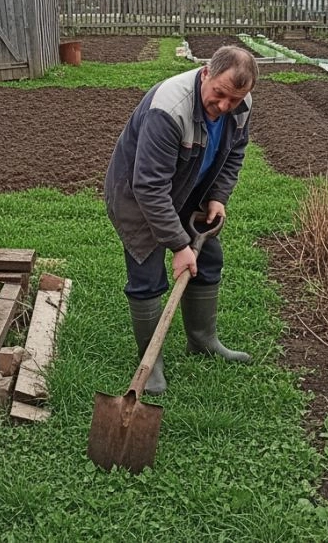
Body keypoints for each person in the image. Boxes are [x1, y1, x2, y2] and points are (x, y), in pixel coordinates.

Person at [103, 45, 257, 395]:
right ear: (206, 73)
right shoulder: (168, 109)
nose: (224, 107)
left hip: (189, 188)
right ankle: (150, 363)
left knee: (208, 258)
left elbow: (234, 153)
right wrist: (178, 245)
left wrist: (218, 195)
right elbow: (149, 186)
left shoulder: (240, 106)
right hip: (136, 194)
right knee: (146, 273)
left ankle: (203, 341)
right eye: (219, 94)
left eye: (234, 100)